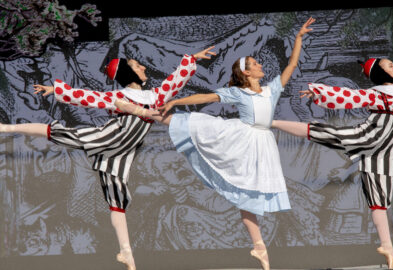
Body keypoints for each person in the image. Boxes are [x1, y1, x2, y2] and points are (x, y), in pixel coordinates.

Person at [114, 17, 315, 270]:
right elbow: (206, 96)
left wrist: (298, 37)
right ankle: (139, 110)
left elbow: (292, 64)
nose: (260, 65)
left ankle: (259, 246)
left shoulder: (271, 89)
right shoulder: (237, 92)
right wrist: (176, 102)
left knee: (247, 193)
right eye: (255, 64)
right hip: (238, 136)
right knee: (188, 122)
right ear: (246, 72)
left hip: (262, 144)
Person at [0, 46, 216, 270]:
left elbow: (174, 82)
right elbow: (87, 97)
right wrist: (54, 89)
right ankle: (5, 128)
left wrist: (191, 59)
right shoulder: (119, 96)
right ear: (127, 73)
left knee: (117, 198)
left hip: (121, 151)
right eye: (136, 65)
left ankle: (127, 256)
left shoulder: (155, 96)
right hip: (109, 137)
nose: (143, 67)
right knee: (63, 134)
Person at [271, 17, 393, 269]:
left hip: (386, 148)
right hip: (370, 137)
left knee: (379, 195)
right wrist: (318, 92)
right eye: (389, 65)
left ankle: (386, 244)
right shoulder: (375, 94)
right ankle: (273, 123)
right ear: (381, 73)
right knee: (326, 133)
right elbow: (349, 96)